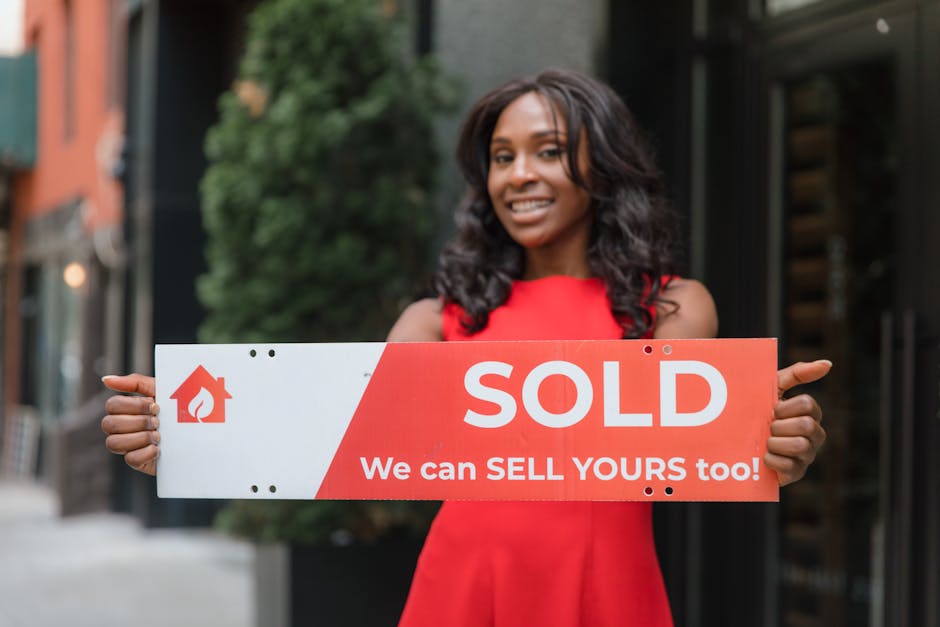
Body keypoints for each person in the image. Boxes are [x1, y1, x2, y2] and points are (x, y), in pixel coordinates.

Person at [102, 68, 829, 626]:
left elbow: (698, 442)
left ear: (601, 168)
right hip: (462, 584)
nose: (519, 176)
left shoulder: (671, 307)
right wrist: (192, 434)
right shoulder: (436, 319)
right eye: (502, 157)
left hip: (605, 586)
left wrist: (773, 438)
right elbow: (345, 429)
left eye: (548, 151)